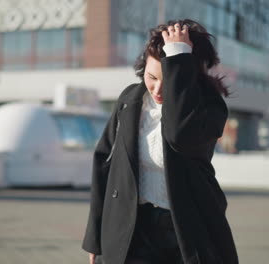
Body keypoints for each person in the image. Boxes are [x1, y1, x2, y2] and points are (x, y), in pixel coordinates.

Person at [82, 19, 239, 264]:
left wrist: (178, 55)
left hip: (187, 229)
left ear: (188, 73)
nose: (157, 89)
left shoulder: (209, 105)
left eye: (168, 80)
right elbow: (104, 162)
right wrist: (95, 236)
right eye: (151, 76)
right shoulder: (129, 99)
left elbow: (180, 136)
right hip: (133, 227)